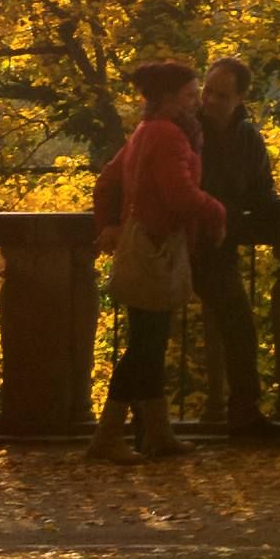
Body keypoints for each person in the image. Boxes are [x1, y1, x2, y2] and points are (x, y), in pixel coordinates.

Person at [95, 64, 230, 460]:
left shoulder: (145, 130)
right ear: (170, 98)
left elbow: (107, 181)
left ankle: (157, 433)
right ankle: (107, 437)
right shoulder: (169, 134)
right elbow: (179, 194)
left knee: (149, 342)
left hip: (141, 243)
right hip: (156, 248)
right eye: (190, 95)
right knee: (144, 345)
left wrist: (110, 225)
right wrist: (217, 212)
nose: (196, 102)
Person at [194, 58, 280, 439]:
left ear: (239, 98)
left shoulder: (247, 139)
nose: (210, 100)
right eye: (207, 91)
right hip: (179, 242)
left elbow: (261, 193)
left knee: (240, 328)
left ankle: (244, 414)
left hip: (217, 248)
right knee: (153, 332)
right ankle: (146, 421)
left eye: (221, 95)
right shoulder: (184, 129)